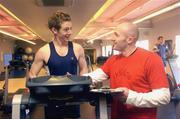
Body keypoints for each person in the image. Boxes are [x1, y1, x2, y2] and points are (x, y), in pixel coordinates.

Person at [84, 21, 170, 119]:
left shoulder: (151, 59)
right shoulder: (113, 60)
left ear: (129, 39)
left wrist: (130, 97)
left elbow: (164, 97)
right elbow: (95, 76)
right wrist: (73, 79)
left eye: (116, 35)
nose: (112, 38)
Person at [29, 11, 95, 119]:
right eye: (66, 29)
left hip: (73, 98)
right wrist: (40, 88)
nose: (70, 32)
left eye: (70, 28)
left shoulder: (77, 48)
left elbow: (84, 68)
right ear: (54, 30)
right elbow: (32, 74)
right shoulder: (44, 51)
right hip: (51, 99)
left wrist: (80, 80)